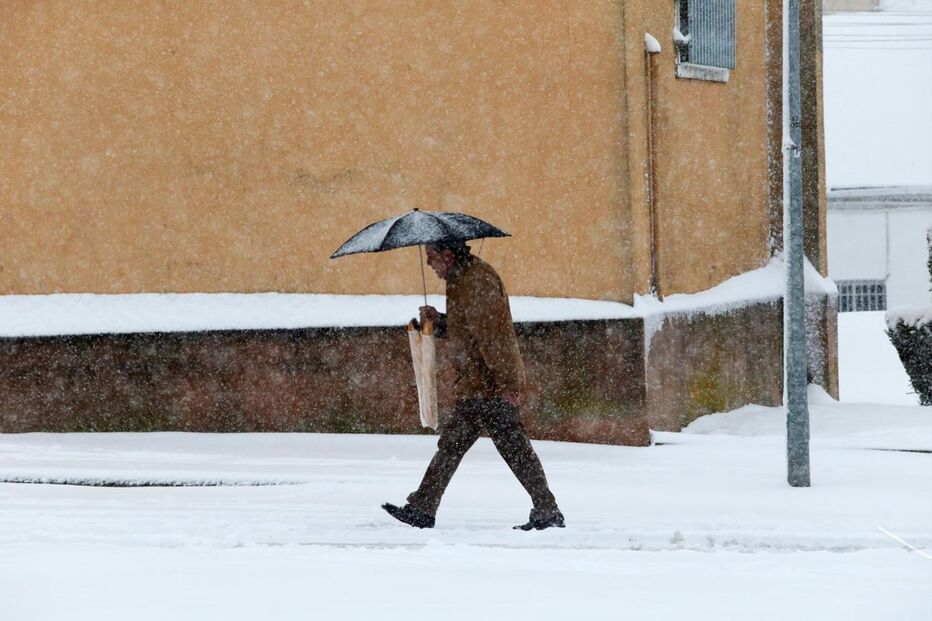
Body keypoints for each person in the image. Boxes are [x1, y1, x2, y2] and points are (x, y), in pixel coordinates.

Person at [382, 239, 564, 531]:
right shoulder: (463, 279)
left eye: (431, 256)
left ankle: (424, 507)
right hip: (478, 383)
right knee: (484, 446)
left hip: (487, 385)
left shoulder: (476, 280)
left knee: (491, 447)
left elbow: (493, 337)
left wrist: (508, 383)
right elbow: (467, 329)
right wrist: (438, 322)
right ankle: (424, 507)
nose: (428, 262)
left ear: (447, 255)